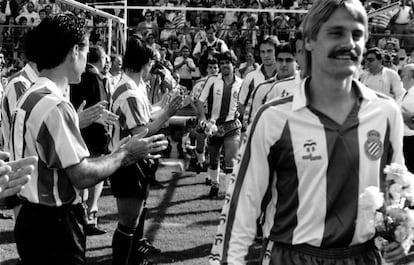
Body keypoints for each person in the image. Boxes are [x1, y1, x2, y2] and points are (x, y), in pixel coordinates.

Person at [209, 0, 409, 264]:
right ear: (310, 41)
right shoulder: (274, 117)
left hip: (363, 257)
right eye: (336, 33)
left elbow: (397, 189)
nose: (349, 43)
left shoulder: (386, 113)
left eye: (357, 34)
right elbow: (242, 205)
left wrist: (403, 238)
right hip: (294, 256)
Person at [11, 13, 168, 265]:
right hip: (55, 223)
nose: (88, 59)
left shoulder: (29, 94)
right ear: (75, 50)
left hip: (31, 216)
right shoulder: (55, 105)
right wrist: (124, 154)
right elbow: (81, 175)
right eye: (85, 49)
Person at [109, 35, 182, 265]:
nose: (153, 67)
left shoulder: (134, 85)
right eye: (152, 61)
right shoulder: (130, 91)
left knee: (135, 216)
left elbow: (146, 113)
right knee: (128, 222)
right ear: (145, 62)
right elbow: (143, 133)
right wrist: (168, 113)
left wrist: (164, 103)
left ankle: (134, 258)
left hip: (134, 160)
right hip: (128, 161)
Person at [70, 45, 119, 236]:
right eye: (106, 58)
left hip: (78, 128)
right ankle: (90, 215)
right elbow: (101, 107)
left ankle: (84, 213)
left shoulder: (76, 75)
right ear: (100, 58)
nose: (108, 61)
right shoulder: (94, 76)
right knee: (95, 174)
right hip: (94, 131)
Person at [196, 51, 242, 198]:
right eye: (221, 63)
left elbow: (245, 103)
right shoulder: (212, 80)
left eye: (227, 63)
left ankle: (229, 195)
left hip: (232, 126)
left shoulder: (241, 83)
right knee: (213, 160)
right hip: (213, 126)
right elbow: (200, 101)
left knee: (231, 159)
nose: (224, 66)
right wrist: (203, 119)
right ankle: (215, 184)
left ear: (233, 64)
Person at [242, 42, 301, 133]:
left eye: (288, 60)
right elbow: (251, 122)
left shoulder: (305, 85)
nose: (284, 64)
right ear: (275, 61)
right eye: (280, 60)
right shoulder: (261, 88)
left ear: (296, 61)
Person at [238, 36, 278, 133]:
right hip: (256, 130)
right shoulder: (250, 77)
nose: (266, 55)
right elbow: (240, 104)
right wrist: (251, 122)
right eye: (263, 52)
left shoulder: (286, 76)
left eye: (269, 51)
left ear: (276, 52)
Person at [190, 58, 219, 175]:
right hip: (203, 114)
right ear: (207, 69)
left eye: (215, 67)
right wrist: (199, 113)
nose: (213, 70)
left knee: (214, 145)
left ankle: (210, 175)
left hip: (216, 117)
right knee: (201, 142)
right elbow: (193, 100)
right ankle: (200, 161)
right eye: (210, 67)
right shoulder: (200, 83)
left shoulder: (222, 83)